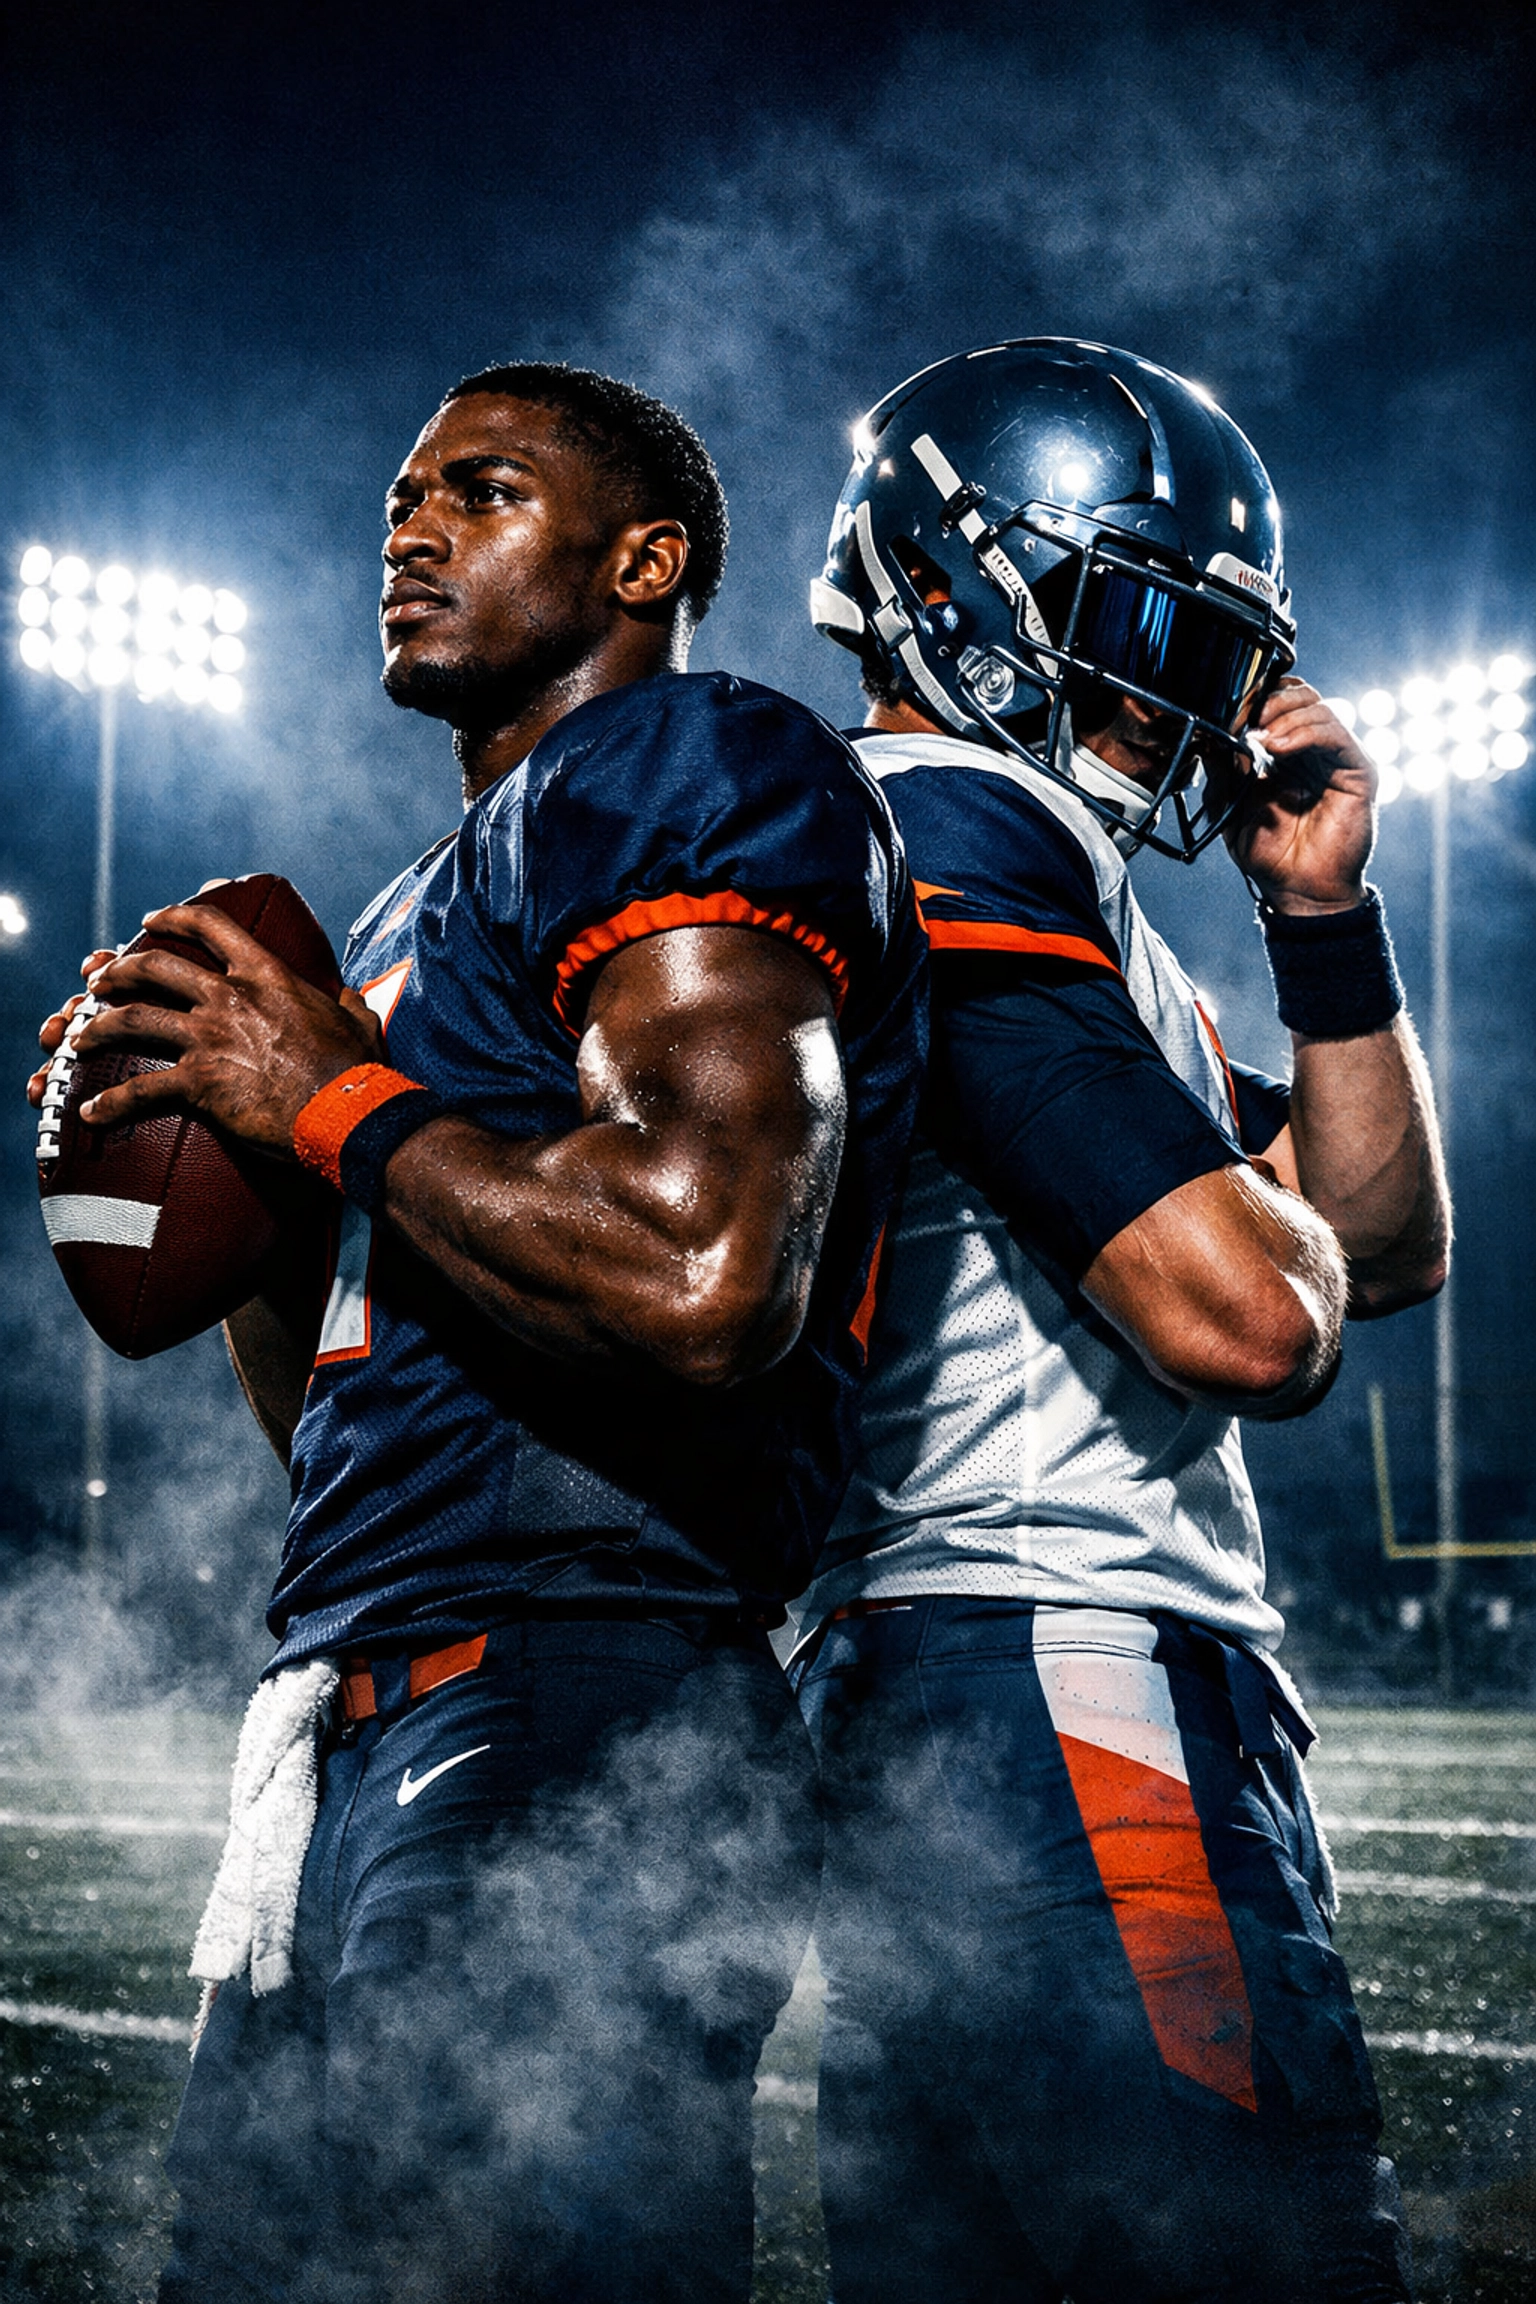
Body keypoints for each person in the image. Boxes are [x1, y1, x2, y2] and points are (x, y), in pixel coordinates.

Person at [30, 362, 925, 2303]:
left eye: (481, 493)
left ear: (645, 557)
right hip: (363, 1680)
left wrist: (332, 1109)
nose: (411, 534)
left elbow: (708, 1277)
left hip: (581, 1691)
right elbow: (343, 1421)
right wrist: (253, 1197)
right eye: (396, 508)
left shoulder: (687, 765)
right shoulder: (392, 918)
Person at [792, 337, 1449, 2302]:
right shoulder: (961, 826)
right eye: (1145, 613)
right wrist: (1275, 1255)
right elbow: (1262, 1319)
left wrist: (1322, 918)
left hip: (933, 1698)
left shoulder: (1034, 880)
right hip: (1067, 1681)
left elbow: (1384, 1243)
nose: (1187, 690)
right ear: (966, 576)